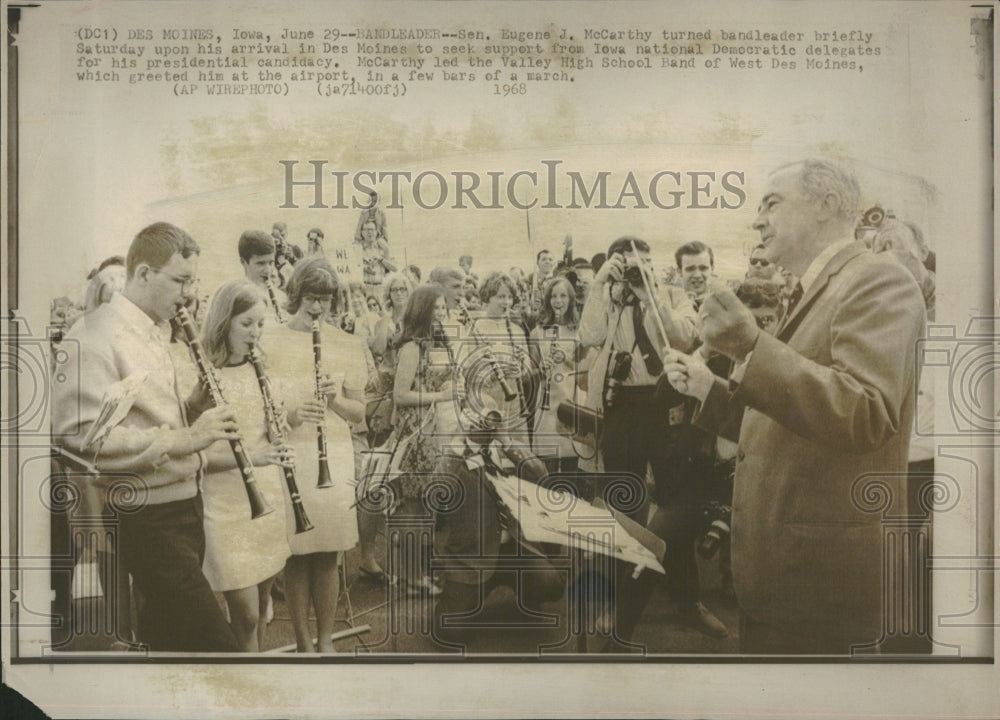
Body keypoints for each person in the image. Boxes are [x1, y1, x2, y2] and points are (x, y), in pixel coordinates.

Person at [664, 158, 926, 654]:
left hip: (819, 587)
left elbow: (865, 412)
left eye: (772, 203)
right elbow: (785, 423)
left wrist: (749, 347)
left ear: (827, 205)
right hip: (783, 578)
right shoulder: (815, 287)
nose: (757, 220)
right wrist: (709, 390)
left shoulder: (878, 280)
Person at [51, 222, 240, 652]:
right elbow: (79, 441)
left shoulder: (153, 331)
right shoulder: (92, 336)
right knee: (219, 645)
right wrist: (187, 438)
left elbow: (139, 417)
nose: (189, 293)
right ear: (142, 274)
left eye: (192, 281)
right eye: (180, 280)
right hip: (146, 516)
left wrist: (191, 407)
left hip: (182, 506)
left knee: (168, 639)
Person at [577, 235, 708, 641]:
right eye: (630, 263)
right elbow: (589, 335)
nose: (639, 269)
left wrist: (649, 295)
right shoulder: (610, 298)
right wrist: (601, 285)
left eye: (645, 262)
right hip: (624, 406)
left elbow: (685, 337)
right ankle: (622, 603)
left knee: (675, 500)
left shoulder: (670, 294)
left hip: (665, 401)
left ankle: (686, 600)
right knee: (623, 503)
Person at [261, 257, 367, 652]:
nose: (317, 307)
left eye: (325, 299)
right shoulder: (270, 340)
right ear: (296, 295)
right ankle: (302, 642)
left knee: (328, 553)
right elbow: (261, 407)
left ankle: (325, 640)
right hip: (291, 455)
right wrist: (289, 414)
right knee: (295, 555)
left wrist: (334, 399)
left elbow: (360, 412)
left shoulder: (346, 343)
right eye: (310, 297)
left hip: (332, 455)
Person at [197, 280, 293, 651]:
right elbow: (196, 455)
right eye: (246, 324)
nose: (255, 334)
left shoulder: (260, 365)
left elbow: (270, 427)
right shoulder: (202, 374)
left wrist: (277, 427)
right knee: (247, 613)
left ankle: (257, 672)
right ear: (224, 322)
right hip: (224, 504)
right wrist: (253, 457)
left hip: (266, 494)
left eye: (260, 325)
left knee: (265, 601)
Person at [388, 284, 456, 594]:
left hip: (430, 431)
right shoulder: (412, 348)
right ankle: (411, 576)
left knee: (422, 507)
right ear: (423, 311)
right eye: (437, 308)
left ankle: (412, 573)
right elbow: (399, 395)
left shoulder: (431, 345)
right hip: (415, 433)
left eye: (444, 308)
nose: (442, 313)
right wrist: (439, 396)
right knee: (413, 508)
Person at [529, 275, 584, 473]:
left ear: (570, 300)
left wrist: (567, 361)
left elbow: (586, 370)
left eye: (563, 296)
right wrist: (541, 371)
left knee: (572, 459)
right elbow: (531, 373)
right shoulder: (538, 332)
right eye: (553, 296)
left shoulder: (580, 331)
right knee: (548, 462)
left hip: (572, 398)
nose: (558, 301)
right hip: (547, 402)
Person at [238, 230, 286, 323]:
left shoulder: (282, 298)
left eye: (271, 262)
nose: (268, 270)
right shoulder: (235, 298)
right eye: (261, 263)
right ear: (243, 262)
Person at [358, 219, 397, 293]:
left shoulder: (383, 250)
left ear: (376, 232)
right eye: (367, 230)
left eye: (372, 229)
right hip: (364, 287)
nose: (370, 232)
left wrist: (381, 259)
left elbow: (395, 268)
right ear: (362, 233)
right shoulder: (358, 250)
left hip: (380, 287)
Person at [675, 240, 714, 310]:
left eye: (703, 268)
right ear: (679, 271)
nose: (697, 275)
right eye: (690, 269)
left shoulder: (726, 307)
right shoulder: (671, 308)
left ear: (712, 269)